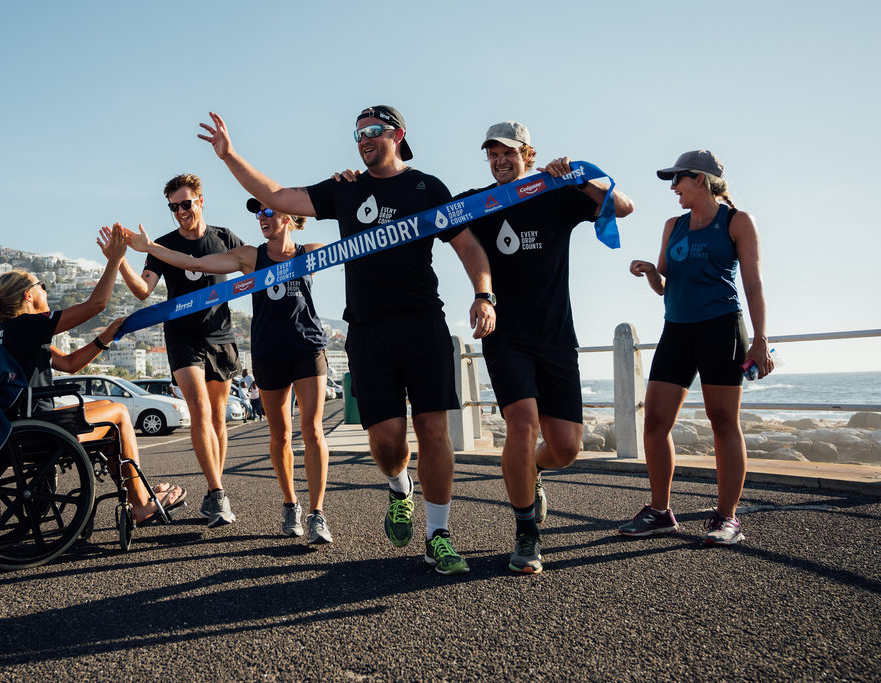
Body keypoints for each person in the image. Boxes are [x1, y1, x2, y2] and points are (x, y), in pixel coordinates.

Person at [197, 106, 496, 574]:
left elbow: (468, 245)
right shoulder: (346, 189)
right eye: (358, 134)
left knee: (434, 430)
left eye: (374, 131)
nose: (364, 139)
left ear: (398, 135)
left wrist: (484, 294)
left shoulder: (428, 188)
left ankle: (438, 535)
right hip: (369, 332)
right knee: (387, 442)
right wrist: (229, 155)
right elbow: (276, 194)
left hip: (423, 323)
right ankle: (399, 488)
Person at [457, 121, 634, 573]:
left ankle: (531, 474)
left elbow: (624, 207)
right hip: (504, 334)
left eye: (508, 153)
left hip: (556, 337)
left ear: (528, 154)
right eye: (492, 154)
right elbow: (420, 218)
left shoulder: (555, 190)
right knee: (522, 423)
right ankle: (526, 532)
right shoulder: (477, 203)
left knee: (565, 449)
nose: (499, 161)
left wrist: (579, 176)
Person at [122, 198, 335, 543]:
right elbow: (195, 261)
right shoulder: (250, 256)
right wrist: (149, 248)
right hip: (268, 351)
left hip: (308, 346)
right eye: (257, 212)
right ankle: (289, 504)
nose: (261, 218)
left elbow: (357, 246)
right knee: (280, 435)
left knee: (312, 431)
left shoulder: (311, 251)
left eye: (268, 211)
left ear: (289, 217)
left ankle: (317, 513)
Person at [0, 227, 186, 525]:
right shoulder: (28, 324)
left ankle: (137, 494)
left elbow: (69, 362)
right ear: (28, 295)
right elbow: (96, 305)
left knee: (105, 408)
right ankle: (141, 504)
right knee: (118, 413)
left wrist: (105, 337)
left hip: (20, 421)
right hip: (36, 428)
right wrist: (115, 260)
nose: (46, 291)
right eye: (43, 286)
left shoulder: (7, 331)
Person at [619, 150, 771, 545]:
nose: (673, 188)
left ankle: (726, 518)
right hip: (678, 330)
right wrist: (653, 273)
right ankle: (659, 511)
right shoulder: (674, 225)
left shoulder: (737, 222)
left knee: (723, 422)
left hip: (721, 328)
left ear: (699, 179)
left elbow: (753, 284)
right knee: (654, 421)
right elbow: (665, 285)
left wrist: (760, 340)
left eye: (678, 180)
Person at [100, 174, 243, 528]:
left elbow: (258, 266)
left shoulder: (224, 239)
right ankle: (219, 491)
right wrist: (120, 260)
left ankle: (214, 492)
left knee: (218, 416)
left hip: (221, 336)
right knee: (199, 410)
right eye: (173, 206)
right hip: (182, 338)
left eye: (186, 203)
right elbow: (143, 291)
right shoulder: (161, 245)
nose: (180, 211)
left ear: (201, 200)